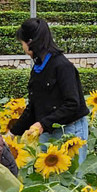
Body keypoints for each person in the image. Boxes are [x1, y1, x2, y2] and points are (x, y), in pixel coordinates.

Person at [7, 18, 89, 161]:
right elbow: (33, 106)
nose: (23, 48)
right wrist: (12, 134)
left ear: (30, 42)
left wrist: (43, 124)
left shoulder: (62, 66)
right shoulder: (38, 68)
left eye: (22, 43)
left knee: (72, 173)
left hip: (70, 131)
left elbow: (72, 104)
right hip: (48, 131)